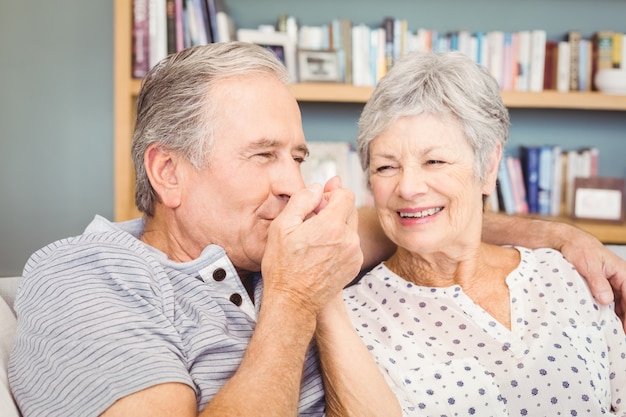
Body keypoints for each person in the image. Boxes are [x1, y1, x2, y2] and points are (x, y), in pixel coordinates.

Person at [6, 42, 625, 417]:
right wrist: (295, 298)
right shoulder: (88, 278)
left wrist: (558, 236)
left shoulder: (268, 240)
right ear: (169, 171)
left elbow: (416, 214)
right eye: (263, 155)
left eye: (297, 159)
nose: (291, 185)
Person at [344, 50, 626, 416]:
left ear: (489, 166)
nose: (409, 187)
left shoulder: (567, 276)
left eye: (435, 161)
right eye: (386, 166)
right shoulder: (353, 316)